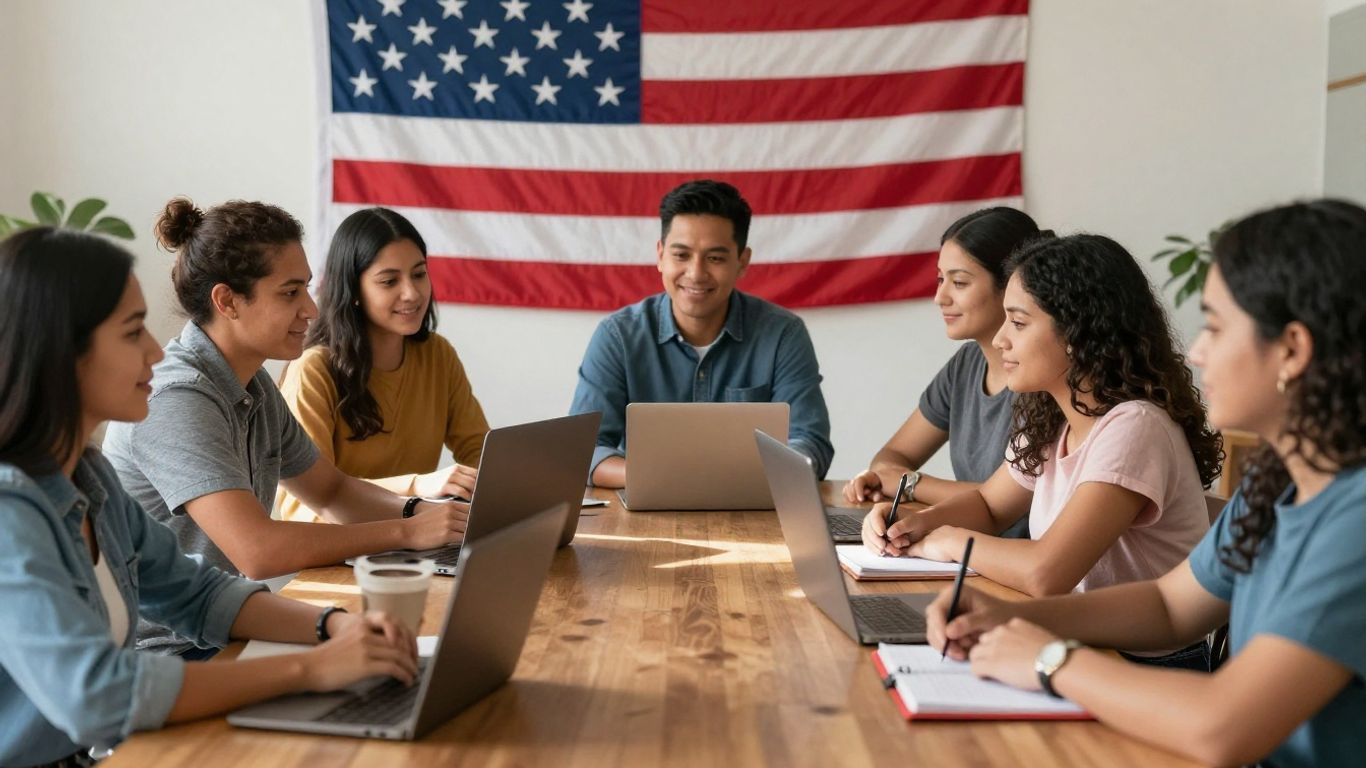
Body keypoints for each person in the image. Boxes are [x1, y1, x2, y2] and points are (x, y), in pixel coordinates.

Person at [926, 200, 1366, 767]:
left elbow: (1222, 726)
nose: (1199, 351)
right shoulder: (1279, 483)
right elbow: (1169, 605)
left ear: (1293, 350)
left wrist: (1050, 659)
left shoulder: (1353, 517)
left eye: (1215, 326)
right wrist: (1008, 617)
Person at [0, 228, 420, 768]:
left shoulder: (88, 477)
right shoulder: (11, 512)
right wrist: (312, 668)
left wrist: (332, 624)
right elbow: (97, 697)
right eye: (132, 334)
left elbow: (195, 593)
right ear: (62, 353)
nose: (156, 349)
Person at [103, 198, 468, 657]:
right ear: (227, 301)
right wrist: (408, 533)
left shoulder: (250, 379)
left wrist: (422, 513)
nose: (312, 309)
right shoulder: (176, 397)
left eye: (307, 290)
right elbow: (258, 552)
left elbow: (332, 492)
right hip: (168, 654)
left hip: (226, 631)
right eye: (290, 292)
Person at [863, 233, 1221, 668]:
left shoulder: (1135, 427)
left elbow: (1046, 572)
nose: (999, 341)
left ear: (1078, 332)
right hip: (1078, 645)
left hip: (1145, 664)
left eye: (1017, 322)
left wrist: (947, 541)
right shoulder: (1053, 416)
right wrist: (911, 524)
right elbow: (989, 506)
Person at [569, 179, 833, 487]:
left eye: (715, 258)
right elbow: (584, 451)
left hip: (752, 506)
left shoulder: (783, 335)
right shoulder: (618, 336)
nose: (696, 273)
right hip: (645, 505)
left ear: (742, 261)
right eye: (681, 255)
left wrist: (747, 475)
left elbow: (810, 442)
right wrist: (662, 478)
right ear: (660, 255)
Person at [277, 207, 489, 522]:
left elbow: (480, 452)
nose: (412, 293)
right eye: (389, 281)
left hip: (417, 542)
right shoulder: (313, 371)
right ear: (354, 292)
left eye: (419, 274)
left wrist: (481, 488)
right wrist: (418, 488)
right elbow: (301, 510)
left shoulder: (438, 355)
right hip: (343, 557)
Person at [844, 207, 1044, 540]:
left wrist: (910, 484)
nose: (940, 297)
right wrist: (897, 480)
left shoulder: (1044, 377)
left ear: (1012, 286)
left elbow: (1015, 500)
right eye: (941, 279)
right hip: (972, 552)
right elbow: (890, 459)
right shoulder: (966, 363)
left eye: (960, 282)